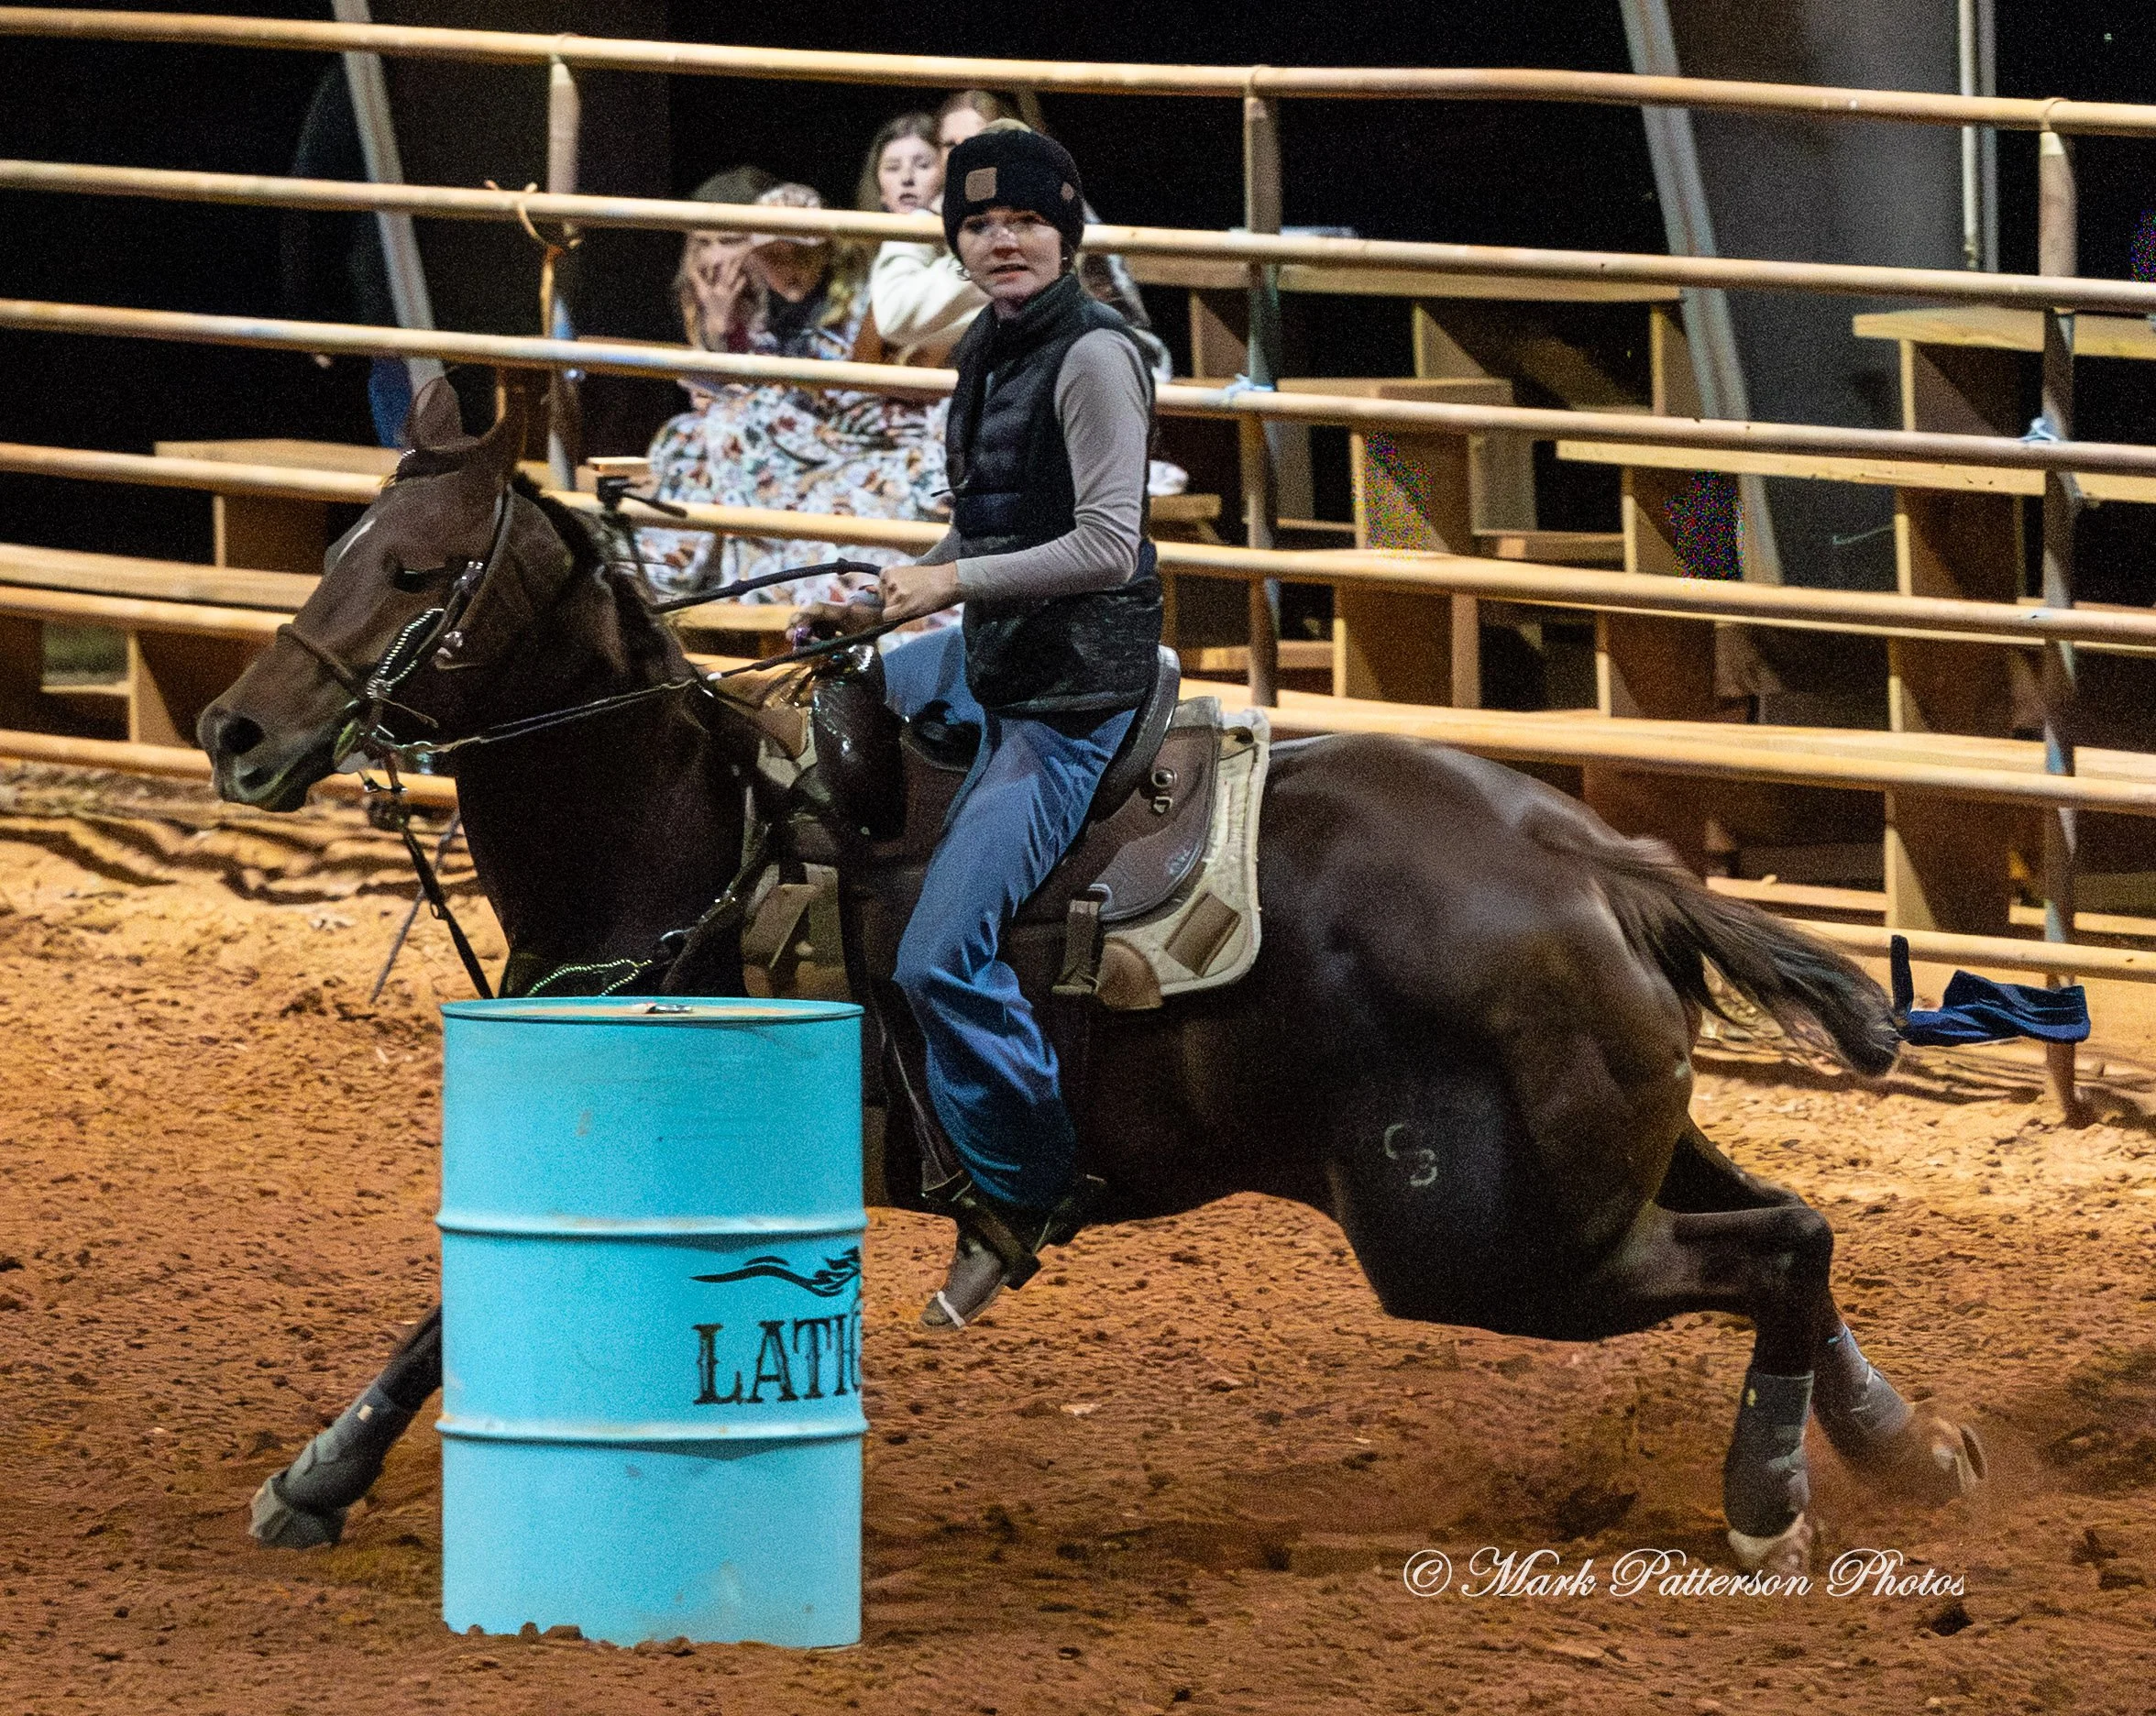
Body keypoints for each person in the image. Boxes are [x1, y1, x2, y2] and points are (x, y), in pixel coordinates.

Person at [869, 125, 1165, 1329]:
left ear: (1065, 233)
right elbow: (986, 527)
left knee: (937, 951)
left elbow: (1105, 544)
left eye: (1026, 223)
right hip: (996, 658)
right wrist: (894, 587)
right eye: (980, 226)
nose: (1002, 240)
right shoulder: (985, 350)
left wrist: (950, 589)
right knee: (809, 717)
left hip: (1069, 693)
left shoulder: (1096, 356)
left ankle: (1028, 1187)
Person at [642, 181, 946, 607]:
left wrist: (750, 397)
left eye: (797, 252)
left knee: (726, 428)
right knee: (692, 436)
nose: (786, 265)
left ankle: (709, 574)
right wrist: (719, 333)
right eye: (772, 254)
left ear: (823, 251)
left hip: (858, 438)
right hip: (797, 441)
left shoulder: (861, 300)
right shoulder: (760, 306)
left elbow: (858, 396)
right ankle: (668, 570)